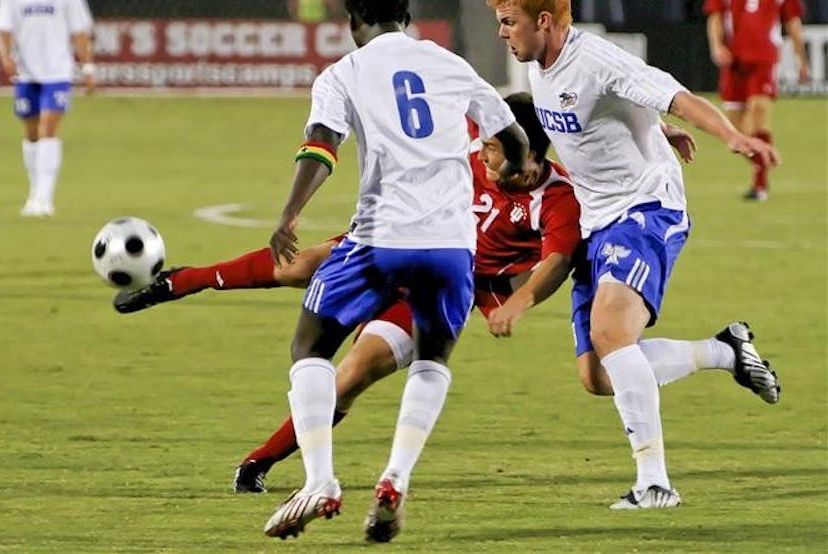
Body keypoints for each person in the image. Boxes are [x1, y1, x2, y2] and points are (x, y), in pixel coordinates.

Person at [113, 94, 780, 510]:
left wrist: (516, 303)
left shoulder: (557, 201)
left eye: (493, 147)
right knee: (302, 262)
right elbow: (549, 111)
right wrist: (660, 132)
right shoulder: (483, 144)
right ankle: (180, 281)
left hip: (439, 290)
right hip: (395, 241)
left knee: (354, 372)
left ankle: (259, 464)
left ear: (523, 154)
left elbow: (553, 260)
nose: (482, 152)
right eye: (483, 142)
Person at [486, 0, 781, 510]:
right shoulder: (537, 65)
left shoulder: (595, 60)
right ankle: (725, 352)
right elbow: (588, 119)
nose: (503, 33)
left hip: (646, 206)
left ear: (544, 20)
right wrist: (655, 129)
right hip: (595, 215)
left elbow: (675, 94)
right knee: (599, 375)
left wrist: (730, 135)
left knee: (612, 332)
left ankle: (655, 483)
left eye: (510, 22)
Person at [263, 0, 531, 541]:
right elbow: (515, 139)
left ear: (353, 21)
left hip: (380, 238)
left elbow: (321, 146)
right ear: (406, 17)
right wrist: (508, 168)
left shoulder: (345, 72)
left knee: (309, 346)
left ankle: (320, 480)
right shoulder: (450, 64)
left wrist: (289, 214)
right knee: (432, 359)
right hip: (454, 246)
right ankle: (395, 479)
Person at [0, 0, 95, 218]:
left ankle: (45, 197)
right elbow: (4, 27)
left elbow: (79, 31)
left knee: (48, 128)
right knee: (30, 132)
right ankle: (33, 192)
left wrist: (87, 66)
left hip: (57, 72)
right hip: (26, 73)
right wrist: (5, 56)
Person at [703, 0, 809, 202]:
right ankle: (765, 160)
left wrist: (801, 60)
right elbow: (715, 16)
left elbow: (792, 22)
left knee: (760, 111)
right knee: (736, 133)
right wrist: (717, 46)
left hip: (764, 60)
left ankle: (760, 185)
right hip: (733, 61)